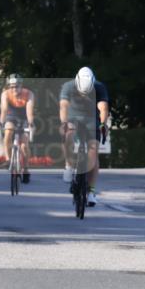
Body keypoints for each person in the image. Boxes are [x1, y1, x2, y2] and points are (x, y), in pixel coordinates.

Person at [60, 67, 110, 206]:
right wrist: (64, 122)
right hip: (73, 117)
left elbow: (103, 108)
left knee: (93, 153)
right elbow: (63, 106)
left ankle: (92, 191)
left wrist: (103, 124)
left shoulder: (99, 87)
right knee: (67, 134)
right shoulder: (68, 86)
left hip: (91, 119)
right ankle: (69, 165)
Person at [0, 74, 35, 183]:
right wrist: (1, 123)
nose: (14, 88)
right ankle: (8, 159)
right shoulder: (5, 94)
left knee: (24, 145)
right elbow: (4, 110)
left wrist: (30, 124)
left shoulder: (28, 94)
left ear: (21, 85)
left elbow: (29, 112)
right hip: (11, 116)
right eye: (11, 86)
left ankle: (26, 169)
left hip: (24, 117)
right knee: (8, 132)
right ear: (8, 86)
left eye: (17, 86)